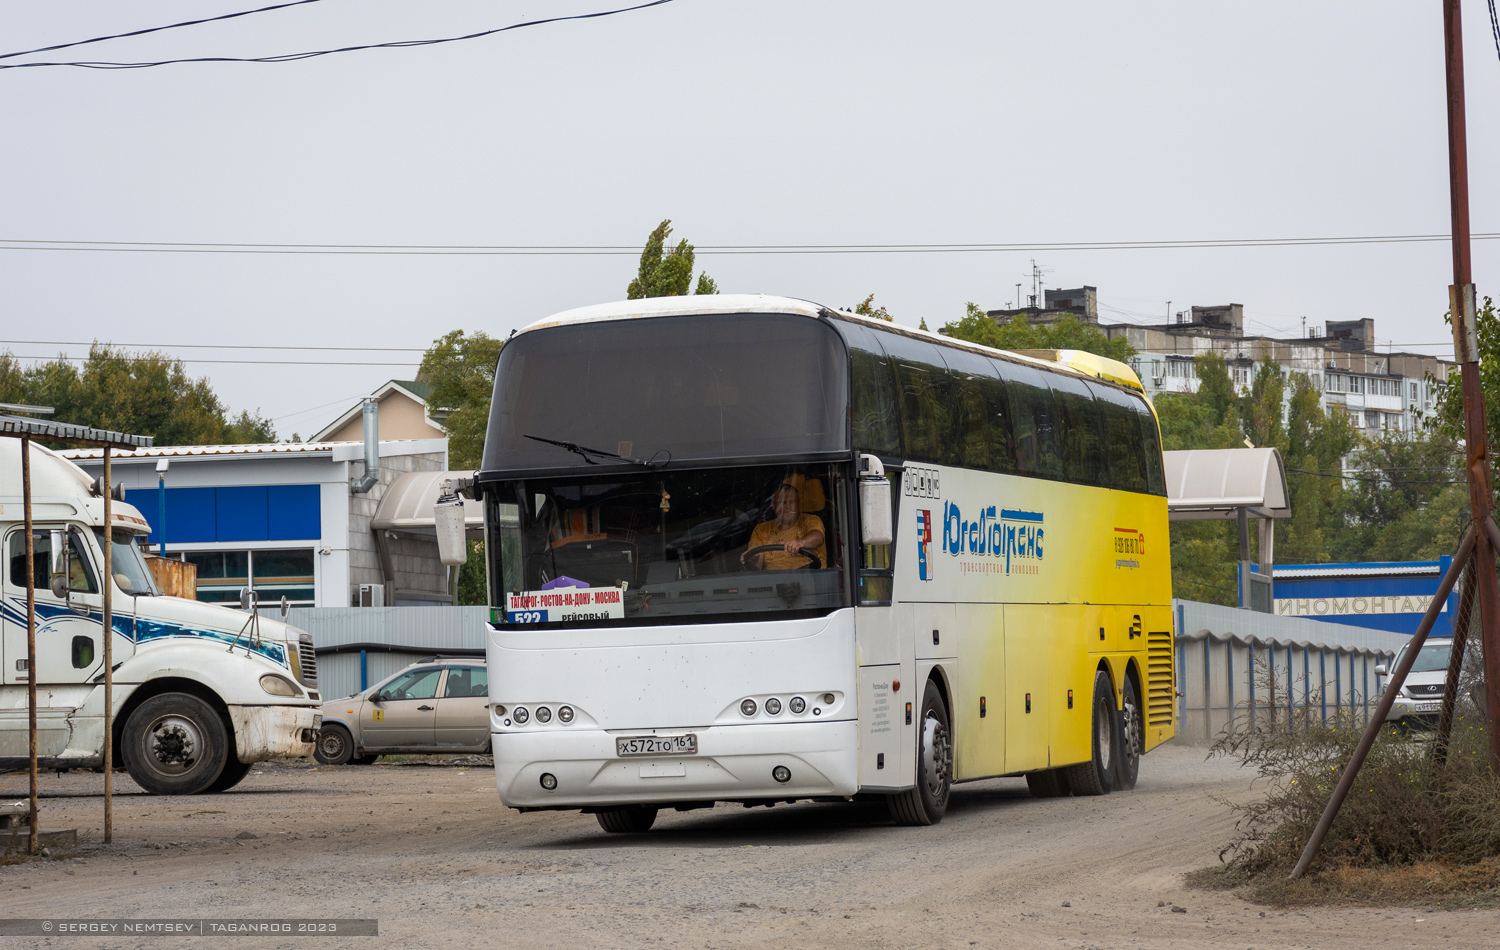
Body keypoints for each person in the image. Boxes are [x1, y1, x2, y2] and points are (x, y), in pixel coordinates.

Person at [741, 482, 826, 570]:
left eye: (792, 502)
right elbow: (756, 567)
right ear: (774, 506)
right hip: (773, 581)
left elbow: (818, 537)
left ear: (798, 504)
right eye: (783, 502)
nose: (788, 506)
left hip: (810, 578)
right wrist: (751, 560)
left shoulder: (811, 520)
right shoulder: (761, 530)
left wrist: (801, 543)